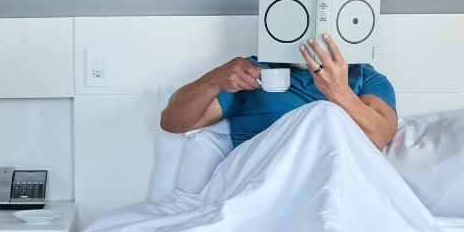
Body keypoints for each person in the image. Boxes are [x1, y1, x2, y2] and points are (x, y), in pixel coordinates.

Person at [160, 34, 398, 151]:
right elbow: (172, 122)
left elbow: (380, 136)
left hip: (334, 180)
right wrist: (214, 79)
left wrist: (340, 93)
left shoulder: (365, 77)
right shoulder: (251, 72)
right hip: (264, 179)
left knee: (323, 112)